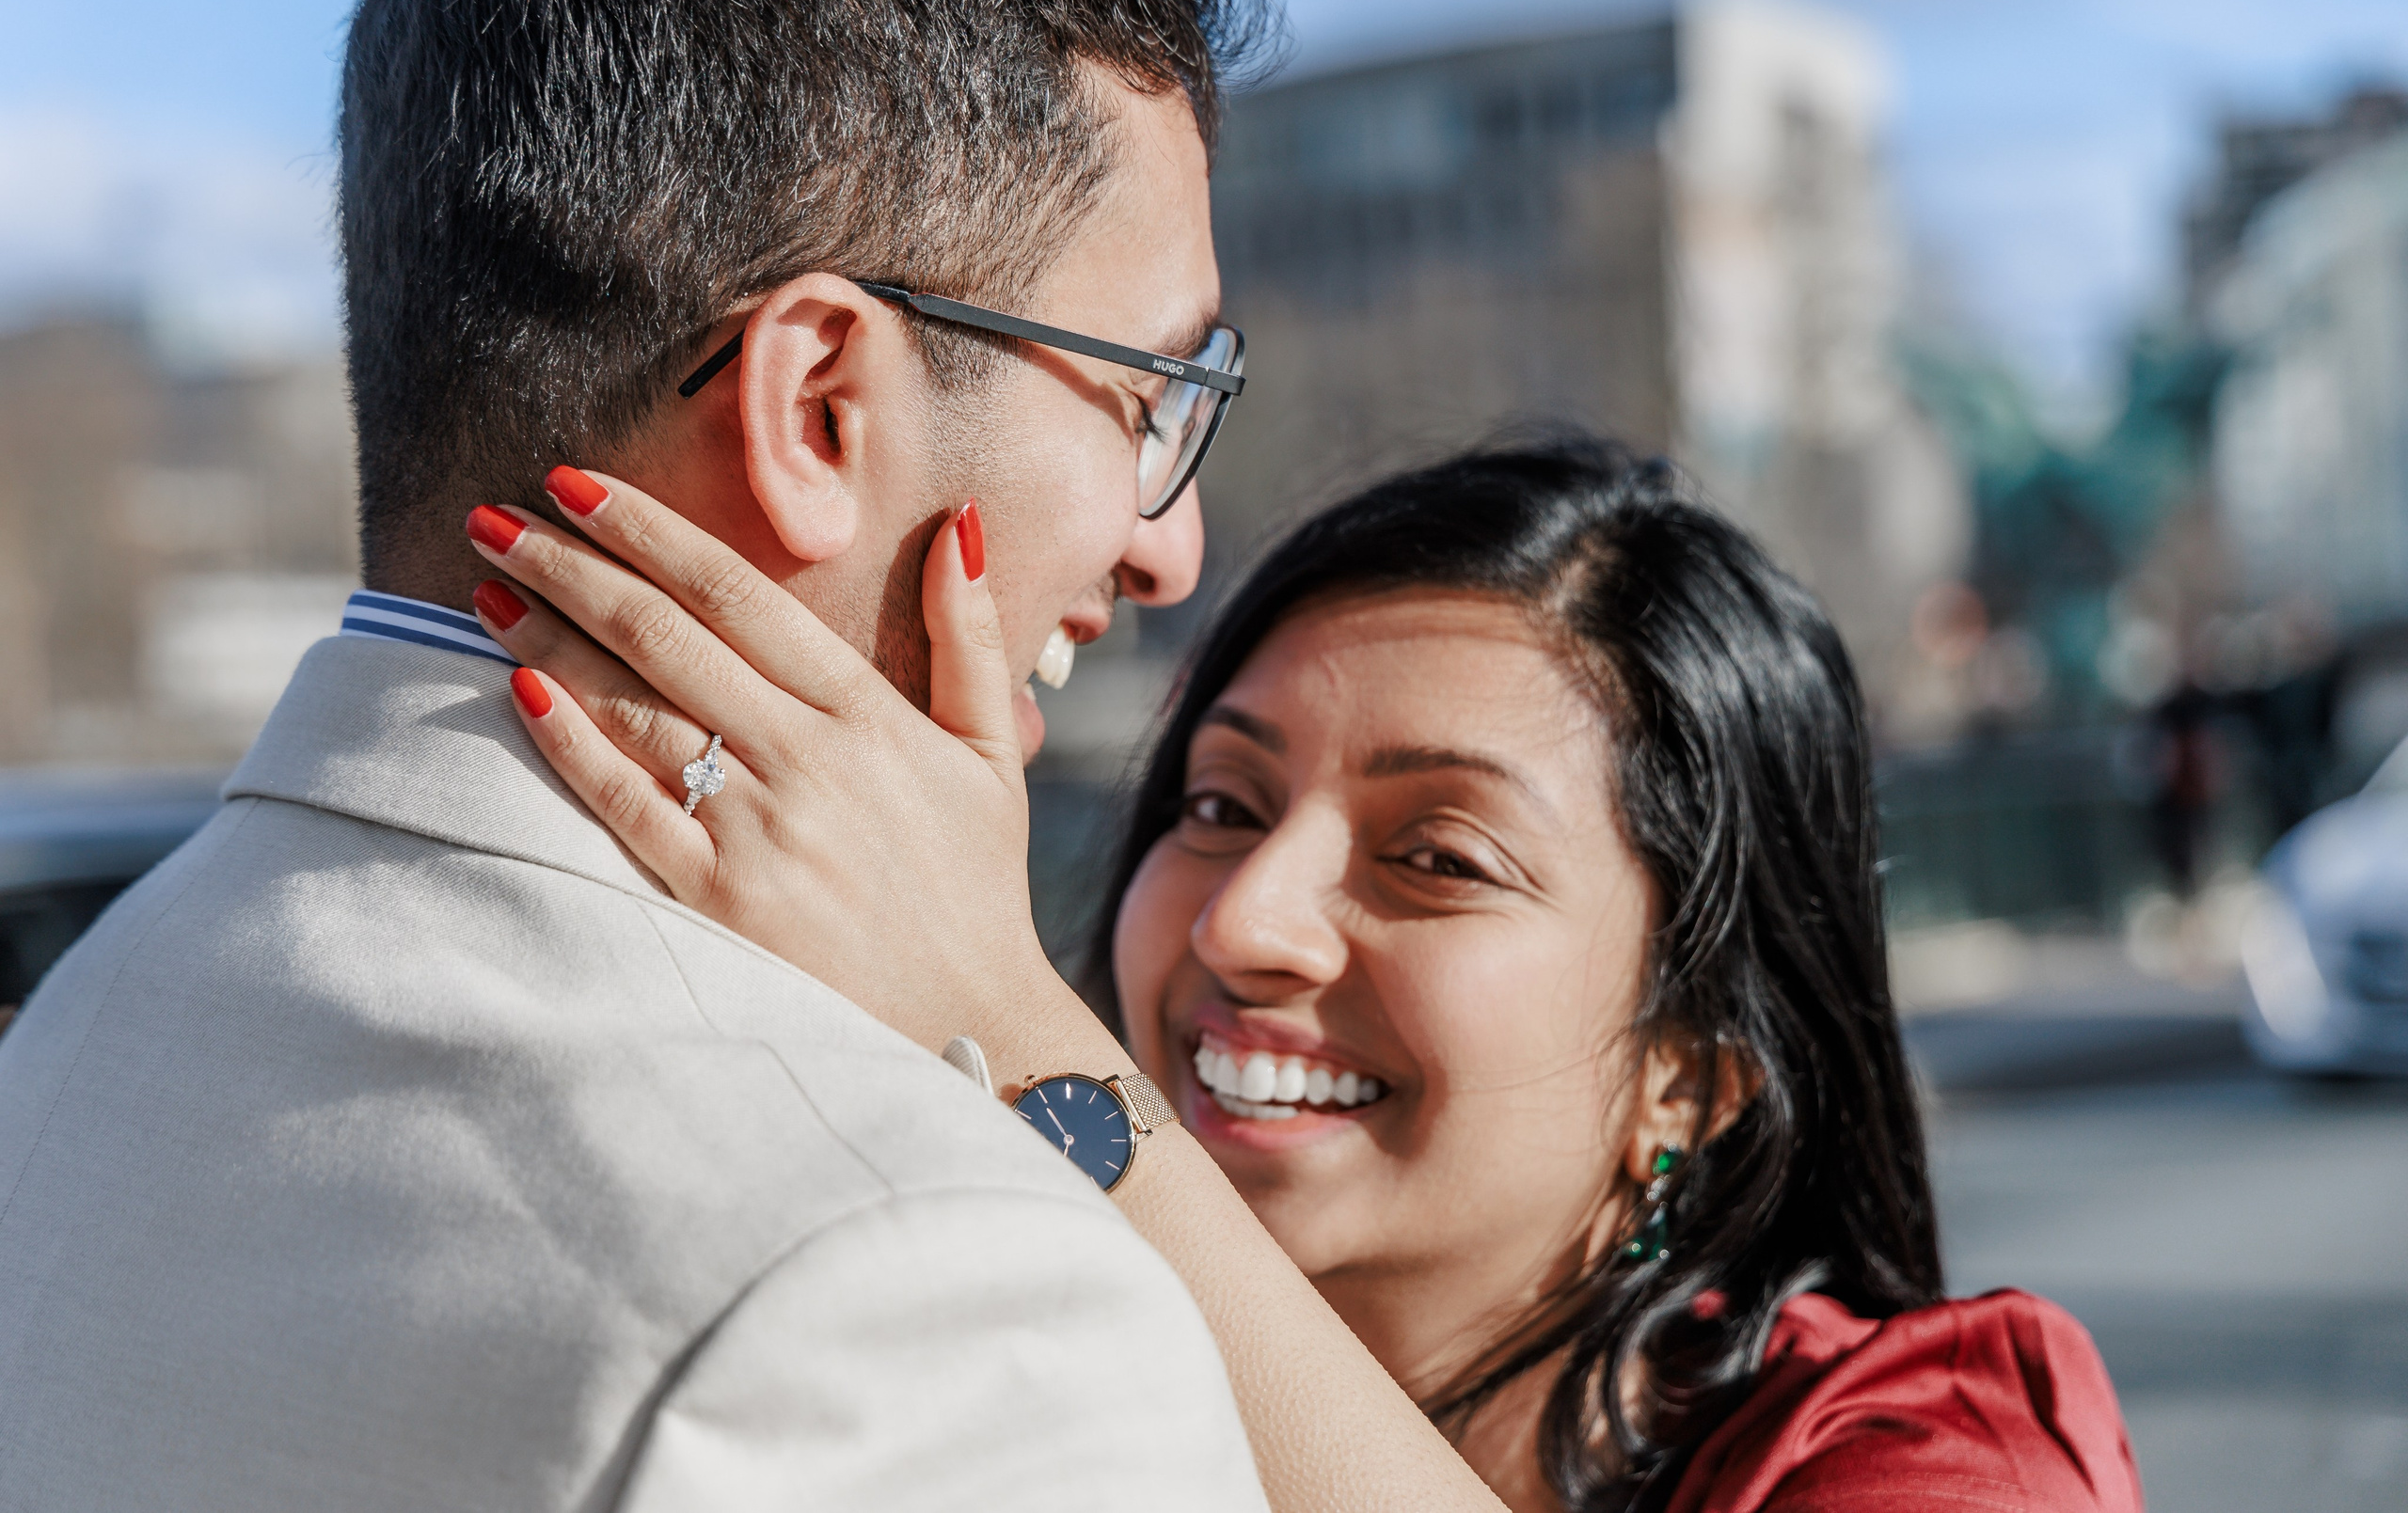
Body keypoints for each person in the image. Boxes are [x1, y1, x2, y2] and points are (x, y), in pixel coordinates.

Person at [0, 0, 1290, 1508]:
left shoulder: (80, 1034)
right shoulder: (939, 1301)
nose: (1171, 548)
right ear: (817, 407)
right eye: (1149, 394)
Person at [474, 433, 2147, 1512]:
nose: (1243, 919)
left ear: (1692, 1075)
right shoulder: (999, 1378)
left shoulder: (1936, 1458)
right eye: (1219, 804)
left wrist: (1017, 1031)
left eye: (1437, 857)